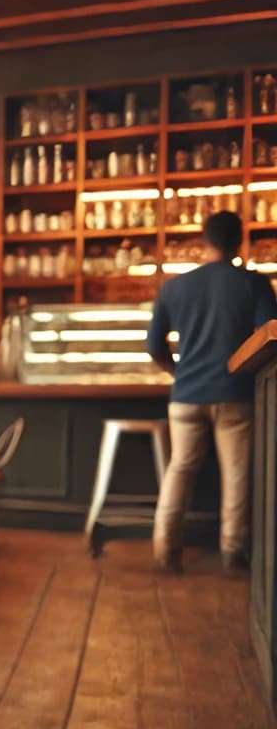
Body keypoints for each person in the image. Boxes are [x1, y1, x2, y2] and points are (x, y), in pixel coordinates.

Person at [146, 210, 277, 572]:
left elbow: (154, 344)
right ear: (240, 241)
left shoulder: (175, 287)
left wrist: (178, 371)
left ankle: (164, 551)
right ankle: (234, 554)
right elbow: (269, 336)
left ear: (203, 240)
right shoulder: (253, 283)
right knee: (236, 476)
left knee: (179, 471)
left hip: (186, 394)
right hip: (235, 394)